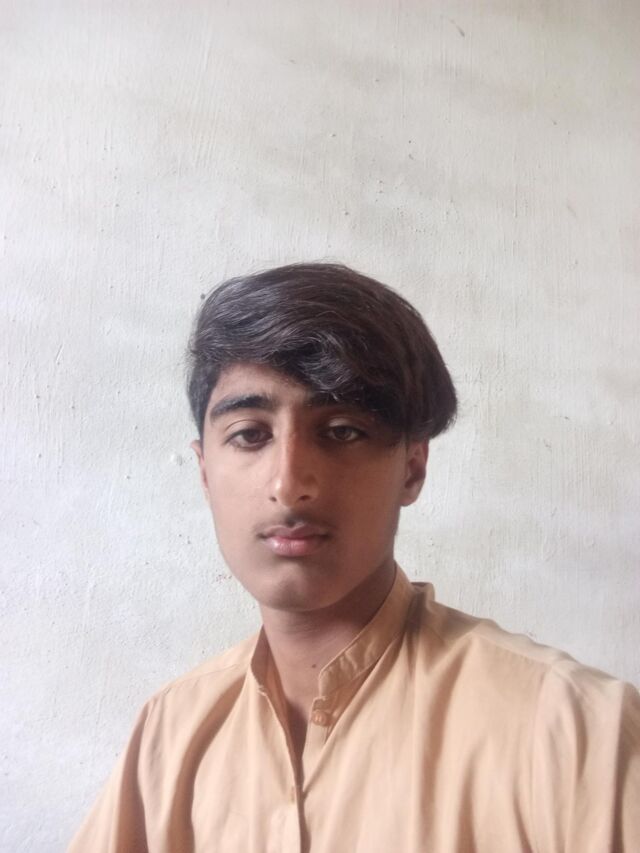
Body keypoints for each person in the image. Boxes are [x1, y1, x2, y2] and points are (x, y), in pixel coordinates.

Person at [69, 263, 639, 852]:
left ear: (412, 468)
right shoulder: (169, 736)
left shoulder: (577, 735)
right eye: (250, 434)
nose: (289, 485)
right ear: (206, 471)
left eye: (342, 431)